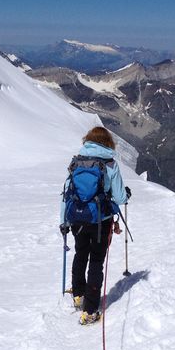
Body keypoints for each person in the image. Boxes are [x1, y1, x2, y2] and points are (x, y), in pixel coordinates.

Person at [60, 126, 130, 325]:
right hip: (101, 219)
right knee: (96, 261)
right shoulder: (110, 164)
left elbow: (66, 193)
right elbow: (119, 196)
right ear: (107, 142)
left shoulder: (76, 161)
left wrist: (63, 221)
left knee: (80, 253)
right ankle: (90, 310)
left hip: (76, 217)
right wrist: (126, 194)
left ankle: (78, 295)